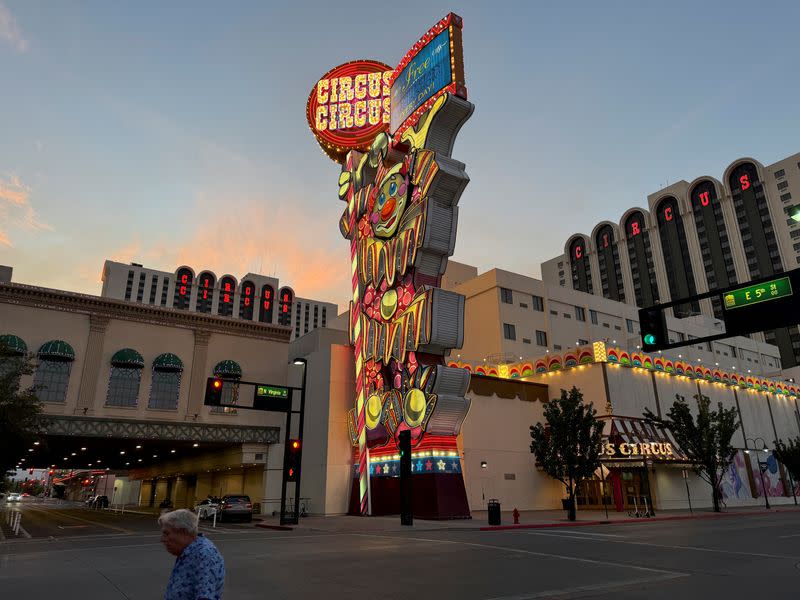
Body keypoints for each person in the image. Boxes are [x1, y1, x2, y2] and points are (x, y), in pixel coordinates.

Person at [159, 508, 225, 600]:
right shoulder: (188, 551)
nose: (162, 539)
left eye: (166, 533)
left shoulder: (204, 555)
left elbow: (205, 597)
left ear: (184, 532)